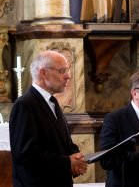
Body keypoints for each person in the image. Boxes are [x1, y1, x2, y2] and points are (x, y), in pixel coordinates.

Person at [9, 50, 87, 187]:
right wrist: (67, 163)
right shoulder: (25, 104)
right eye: (62, 71)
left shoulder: (52, 102)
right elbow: (26, 154)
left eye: (67, 70)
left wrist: (76, 158)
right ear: (43, 72)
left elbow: (62, 143)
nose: (68, 76)